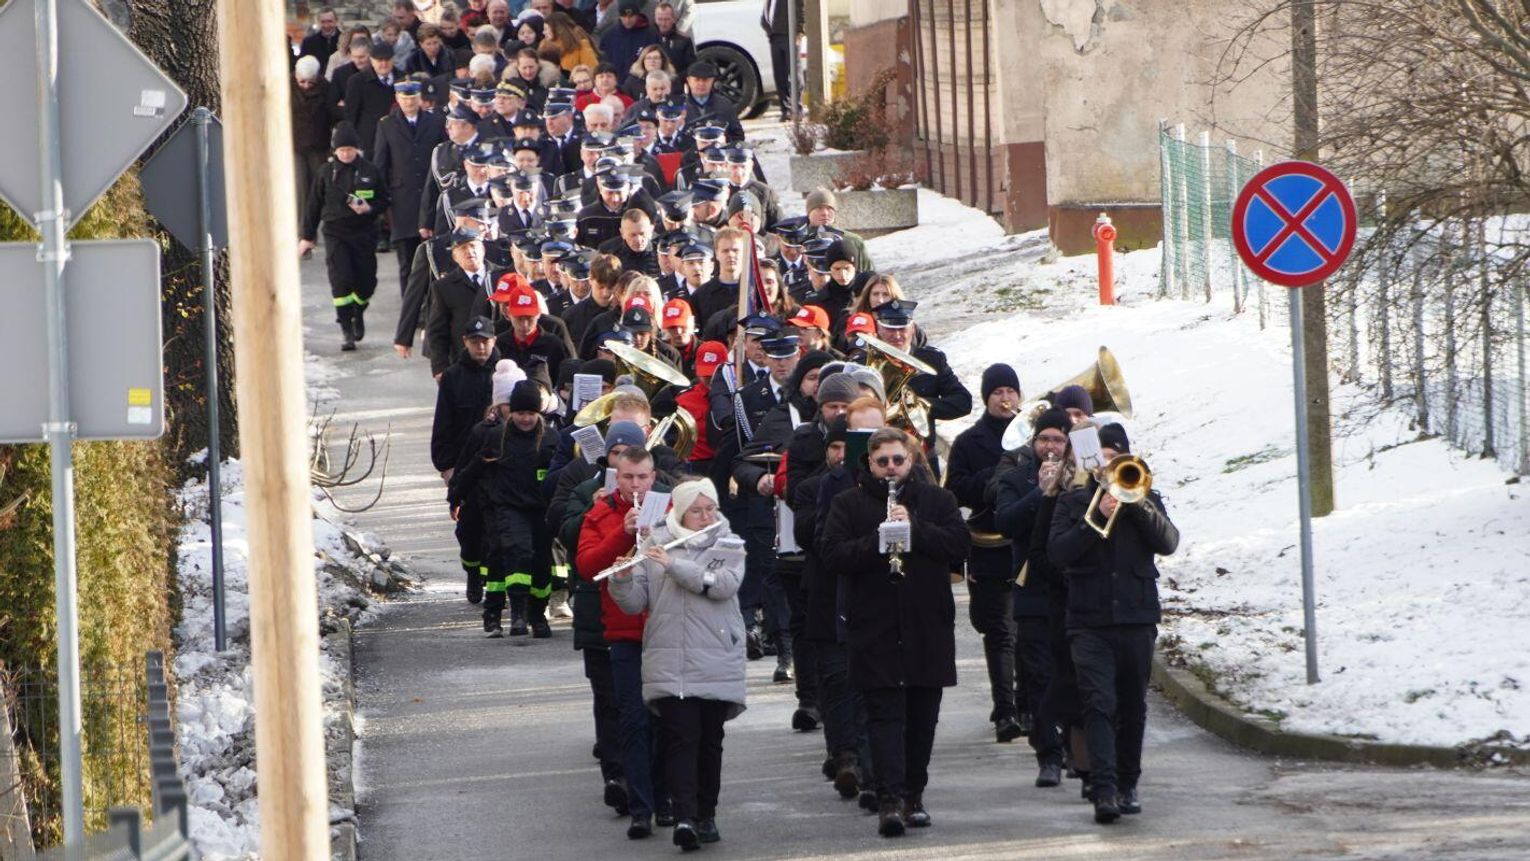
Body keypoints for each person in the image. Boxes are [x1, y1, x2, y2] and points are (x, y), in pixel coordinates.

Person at [820, 427, 969, 837]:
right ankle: (889, 800)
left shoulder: (938, 500)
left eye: (897, 460)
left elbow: (959, 545)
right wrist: (877, 540)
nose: (890, 468)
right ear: (869, 463)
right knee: (884, 719)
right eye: (882, 461)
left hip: (926, 628)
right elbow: (832, 554)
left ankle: (913, 796)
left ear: (911, 460)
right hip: (875, 628)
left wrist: (914, 528)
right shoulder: (848, 504)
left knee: (922, 721)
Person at [1048, 423, 1179, 824]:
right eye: (1102, 458)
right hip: (1089, 621)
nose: (1108, 466)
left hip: (1137, 618)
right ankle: (1103, 790)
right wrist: (1095, 517)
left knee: (1132, 705)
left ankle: (1128, 784)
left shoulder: (1146, 497)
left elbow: (1169, 542)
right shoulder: (1073, 502)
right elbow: (1058, 554)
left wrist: (1135, 503)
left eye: (1114, 458)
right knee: (1098, 703)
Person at [608, 478, 746, 850]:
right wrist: (621, 580)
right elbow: (635, 603)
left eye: (710, 509)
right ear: (681, 513)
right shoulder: (655, 542)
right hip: (670, 657)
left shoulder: (729, 543)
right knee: (680, 740)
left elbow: (721, 584)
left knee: (710, 743)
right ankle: (685, 817)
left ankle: (706, 815)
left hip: (716, 656)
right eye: (696, 511)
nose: (705, 516)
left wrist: (673, 564)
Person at [577, 445, 674, 839]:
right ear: (616, 478)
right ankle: (640, 808)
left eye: (642, 477)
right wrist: (623, 533)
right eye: (628, 477)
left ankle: (665, 798)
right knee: (632, 721)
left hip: (666, 632)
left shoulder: (672, 511)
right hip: (624, 634)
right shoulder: (600, 514)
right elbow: (587, 567)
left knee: (666, 722)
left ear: (653, 478)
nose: (636, 485)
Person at [994, 406, 1074, 789]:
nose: (1050, 446)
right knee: (1039, 676)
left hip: (1072, 591)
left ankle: (1075, 747)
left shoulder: (1082, 479)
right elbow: (1005, 523)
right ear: (1033, 441)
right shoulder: (1015, 478)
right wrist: (1039, 493)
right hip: (1033, 590)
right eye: (1044, 439)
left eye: (1058, 439)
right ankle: (1048, 755)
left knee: (1072, 673)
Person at [946, 363, 1025, 743]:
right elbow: (955, 489)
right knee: (998, 631)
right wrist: (995, 474)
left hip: (1024, 544)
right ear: (986, 398)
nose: (1005, 398)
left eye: (1010, 391)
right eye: (997, 392)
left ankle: (1024, 703)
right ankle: (1005, 709)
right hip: (988, 545)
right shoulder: (968, 442)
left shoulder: (1033, 437)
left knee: (1025, 629)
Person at [449, 376, 561, 636]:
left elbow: (562, 474)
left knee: (541, 563)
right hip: (507, 508)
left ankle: (538, 614)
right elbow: (473, 469)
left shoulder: (551, 439)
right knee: (518, 552)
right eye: (520, 413)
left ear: (539, 413)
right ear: (512, 412)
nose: (525, 419)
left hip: (541, 510)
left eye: (531, 413)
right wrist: (456, 496)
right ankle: (518, 613)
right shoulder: (497, 437)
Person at [299, 121, 391, 352]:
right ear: (335, 151)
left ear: (356, 149)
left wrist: (369, 208)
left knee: (366, 283)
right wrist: (307, 237)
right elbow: (313, 206)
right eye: (341, 150)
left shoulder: (370, 171)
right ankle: (346, 328)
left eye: (349, 149)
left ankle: (358, 310)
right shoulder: (325, 172)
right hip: (335, 233)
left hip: (364, 233)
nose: (346, 154)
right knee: (341, 280)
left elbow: (384, 199)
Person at [431, 316, 504, 603]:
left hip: (498, 464)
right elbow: (443, 424)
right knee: (468, 529)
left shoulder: (506, 373)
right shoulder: (453, 377)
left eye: (485, 341)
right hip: (466, 468)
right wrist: (446, 467)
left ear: (494, 340)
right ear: (465, 342)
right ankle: (473, 573)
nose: (481, 347)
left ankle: (495, 580)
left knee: (497, 527)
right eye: (475, 342)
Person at [373, 80, 448, 293]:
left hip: (430, 198)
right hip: (402, 200)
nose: (409, 102)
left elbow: (443, 156)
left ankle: (430, 302)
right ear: (397, 99)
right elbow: (381, 164)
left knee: (433, 256)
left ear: (419, 98)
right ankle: (409, 303)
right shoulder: (387, 125)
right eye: (404, 98)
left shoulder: (434, 121)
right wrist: (383, 200)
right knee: (406, 259)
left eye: (413, 98)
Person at [426, 228, 500, 378]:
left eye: (473, 245)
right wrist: (440, 368)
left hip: (499, 361)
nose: (469, 251)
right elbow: (437, 331)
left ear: (483, 249)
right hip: (463, 363)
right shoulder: (444, 287)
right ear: (454, 256)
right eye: (463, 248)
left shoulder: (501, 277)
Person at [291, 56, 334, 225]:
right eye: (302, 82)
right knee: (300, 187)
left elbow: (331, 112)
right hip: (294, 145)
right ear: (296, 76)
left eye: (311, 82)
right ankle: (301, 228)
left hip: (318, 145)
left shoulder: (325, 87)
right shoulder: (285, 86)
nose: (306, 86)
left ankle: (316, 224)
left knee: (318, 185)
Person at [343, 40, 400, 158]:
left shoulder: (402, 79)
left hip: (397, 140)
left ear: (393, 59)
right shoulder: (357, 81)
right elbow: (351, 114)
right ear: (372, 61)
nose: (384, 64)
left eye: (387, 60)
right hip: (369, 142)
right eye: (380, 60)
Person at [682, 62, 743, 142]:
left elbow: (738, 135)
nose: (701, 84)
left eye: (705, 80)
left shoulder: (724, 104)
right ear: (689, 80)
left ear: (712, 81)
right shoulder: (680, 105)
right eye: (697, 80)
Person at [761, 0, 802, 121]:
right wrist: (767, 28)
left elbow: (801, 9)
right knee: (779, 75)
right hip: (774, 37)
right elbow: (766, 13)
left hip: (789, 35)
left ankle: (797, 109)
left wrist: (800, 31)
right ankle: (785, 110)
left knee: (794, 73)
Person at [649, 2, 695, 77]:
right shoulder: (648, 39)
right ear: (655, 19)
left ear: (674, 19)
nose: (663, 23)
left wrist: (674, 80)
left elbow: (691, 67)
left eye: (667, 19)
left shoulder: (684, 41)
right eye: (660, 19)